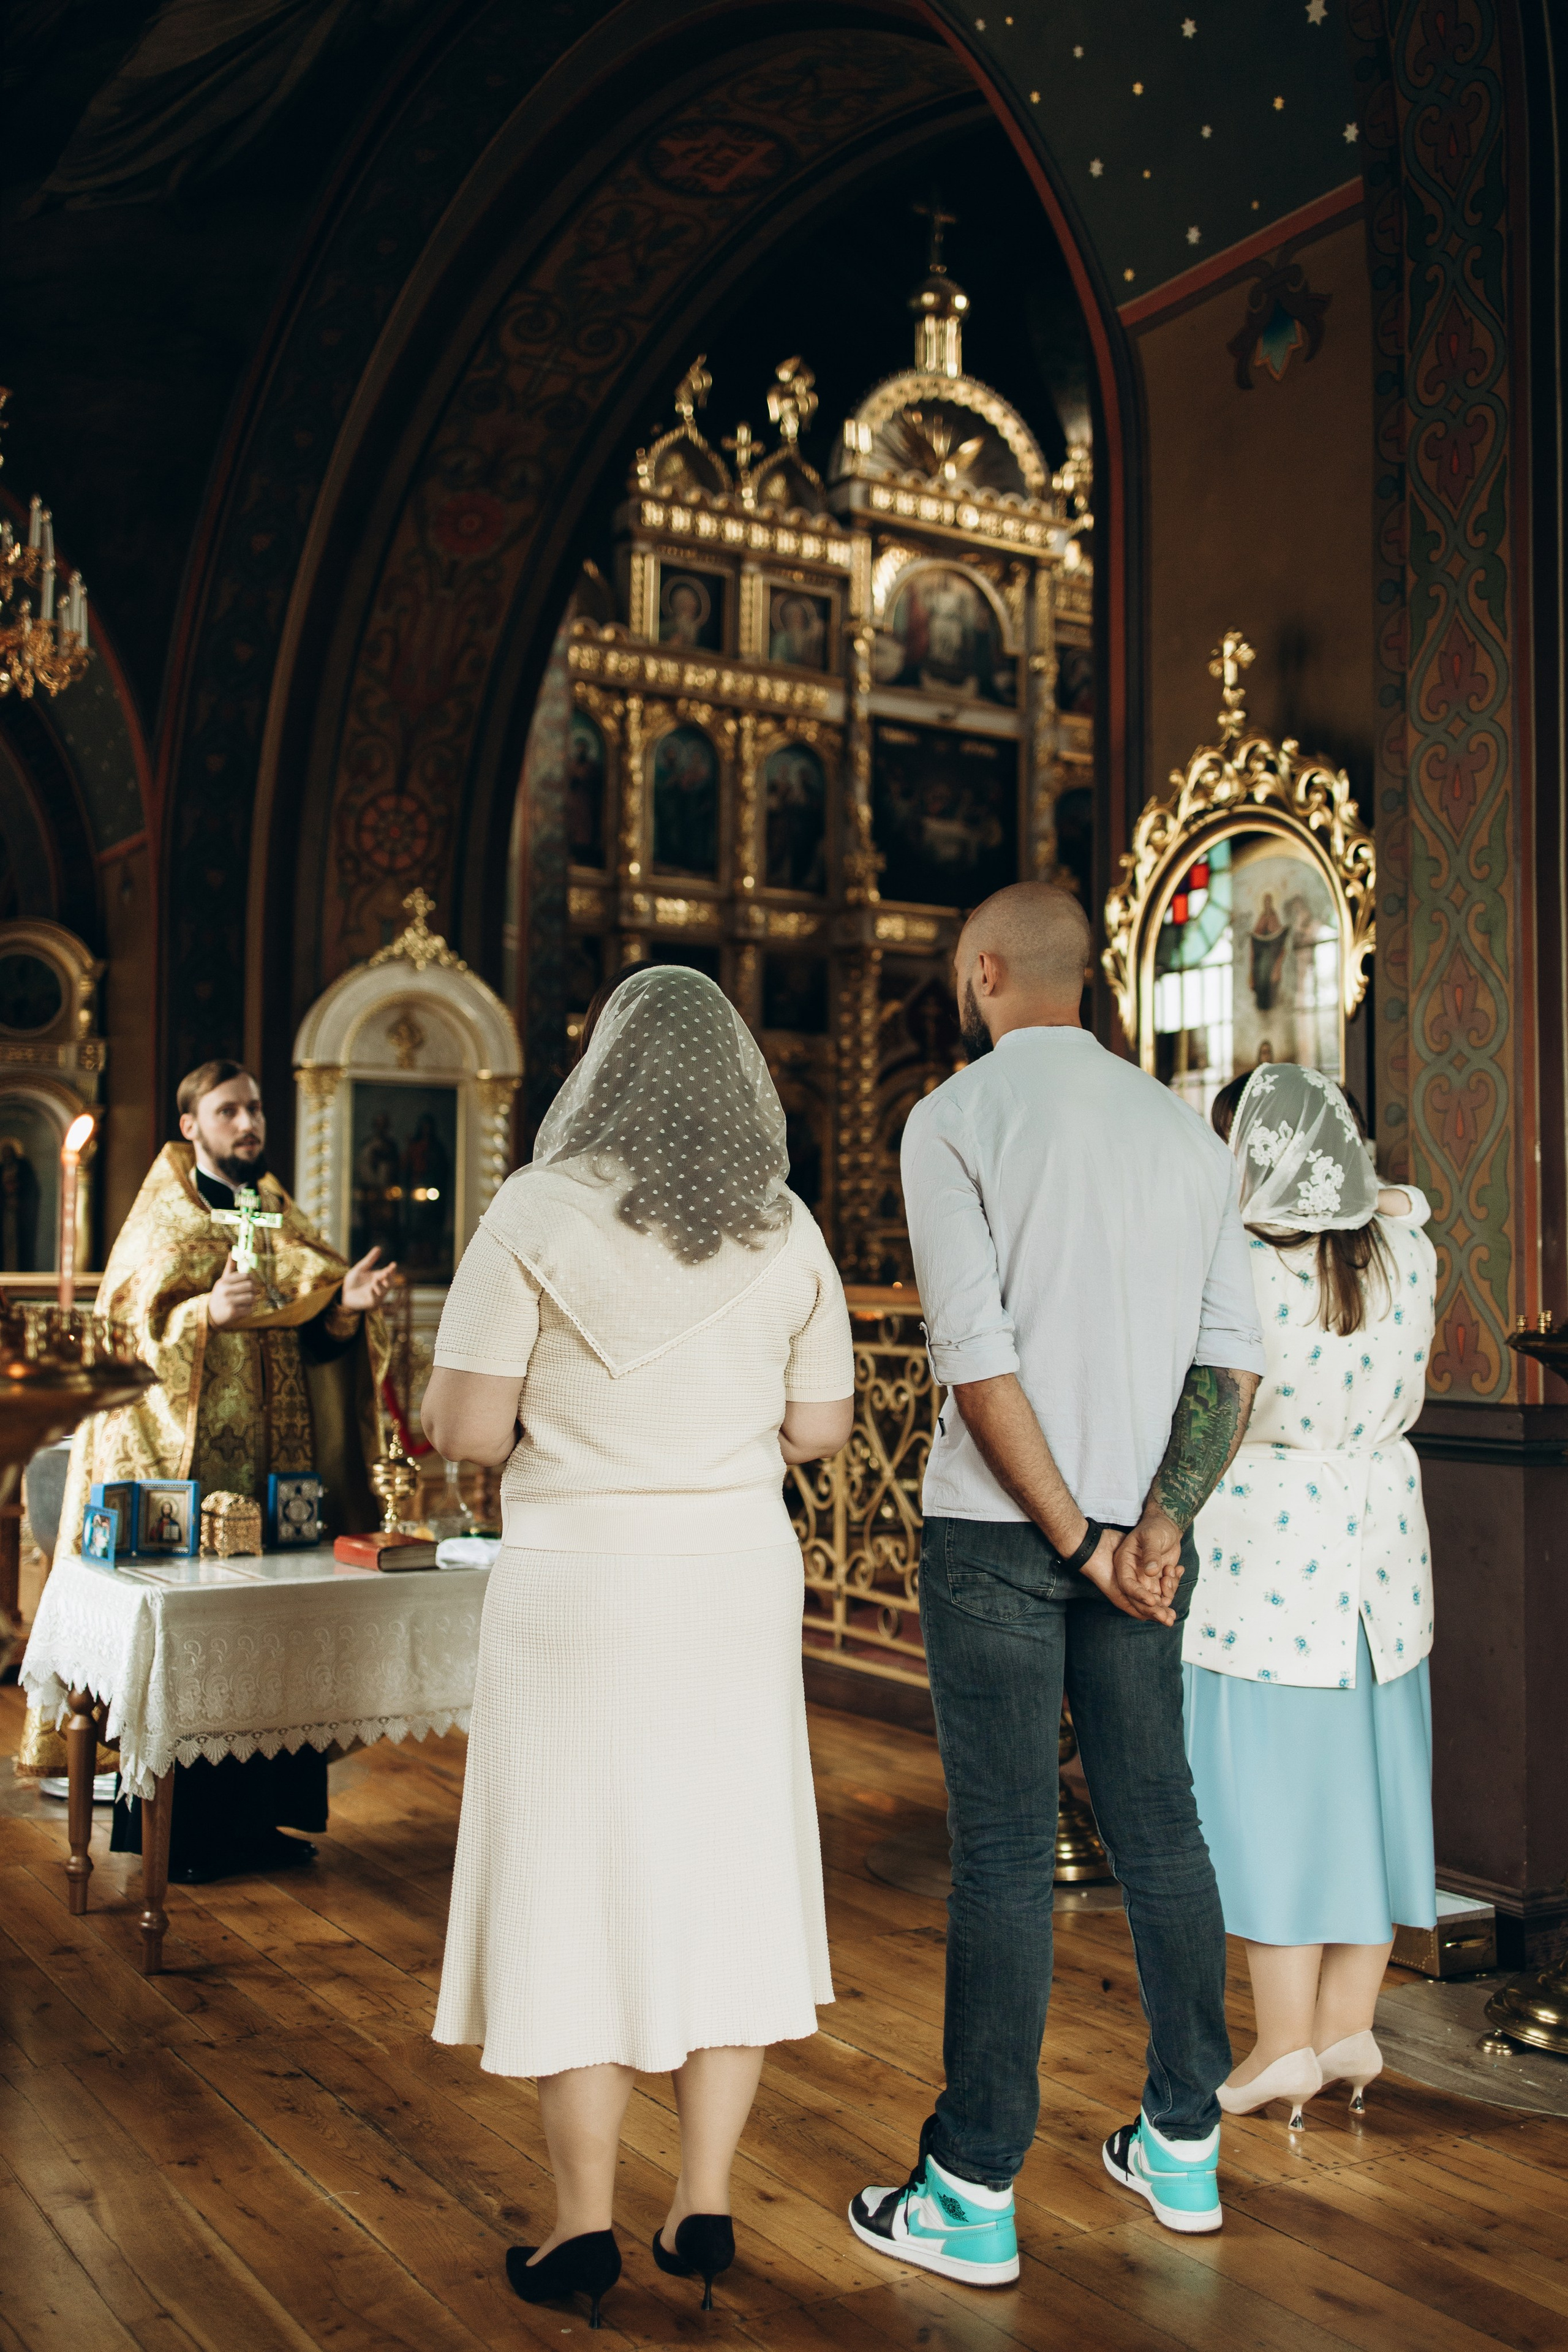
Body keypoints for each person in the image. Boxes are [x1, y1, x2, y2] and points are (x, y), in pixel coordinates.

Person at [423, 963, 853, 2332]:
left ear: (600, 1072)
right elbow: (822, 1429)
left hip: (576, 1590)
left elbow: (468, 1431)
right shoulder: (783, 1227)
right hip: (730, 1581)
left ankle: (577, 2227)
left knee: (578, 1892)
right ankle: (706, 2199)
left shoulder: (535, 1216)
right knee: (722, 1877)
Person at [850, 881, 1265, 2279]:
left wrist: (1077, 1543)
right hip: (1143, 1546)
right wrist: (1153, 1524)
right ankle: (1184, 2144)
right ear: (1083, 979)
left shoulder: (952, 1120)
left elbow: (974, 1364)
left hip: (997, 1541)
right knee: (1161, 1832)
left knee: (1009, 1857)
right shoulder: (1183, 1134)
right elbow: (1231, 1362)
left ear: (980, 974)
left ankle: (968, 2191)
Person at [40, 1061, 398, 1878]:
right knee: (198, 1649)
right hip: (190, 1481)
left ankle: (266, 1821)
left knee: (275, 1644)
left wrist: (346, 1307)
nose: (250, 1122)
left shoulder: (277, 1212)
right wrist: (205, 1314)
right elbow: (127, 1334)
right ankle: (185, 1837)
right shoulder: (163, 1216)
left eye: (256, 1108)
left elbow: (315, 1333)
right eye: (230, 1110)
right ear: (191, 1125)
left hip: (284, 1479)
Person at [1183, 1063, 1437, 2126]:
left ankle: (1284, 2044)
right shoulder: (1406, 1249)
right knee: (1375, 1800)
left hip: (1262, 1564)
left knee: (1265, 1811)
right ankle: (1347, 2030)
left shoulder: (1234, 1263)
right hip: (1387, 1562)